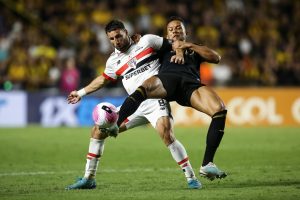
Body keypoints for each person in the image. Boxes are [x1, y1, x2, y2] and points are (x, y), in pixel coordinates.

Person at [65, 20, 201, 190]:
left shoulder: (147, 41)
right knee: (97, 131)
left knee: (166, 133)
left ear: (126, 32)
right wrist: (81, 92)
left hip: (154, 99)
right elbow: (103, 79)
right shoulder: (113, 61)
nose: (116, 41)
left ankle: (191, 177)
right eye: (112, 39)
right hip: (133, 105)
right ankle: (89, 178)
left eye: (119, 36)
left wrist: (180, 52)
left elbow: (175, 43)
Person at [116, 16, 227, 180]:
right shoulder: (161, 48)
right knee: (145, 88)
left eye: (178, 28)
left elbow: (216, 58)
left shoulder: (195, 49)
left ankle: (207, 164)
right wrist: (135, 42)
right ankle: (116, 122)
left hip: (190, 86)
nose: (175, 30)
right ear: (166, 34)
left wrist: (188, 45)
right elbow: (140, 48)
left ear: (186, 32)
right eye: (171, 29)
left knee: (219, 109)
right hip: (167, 80)